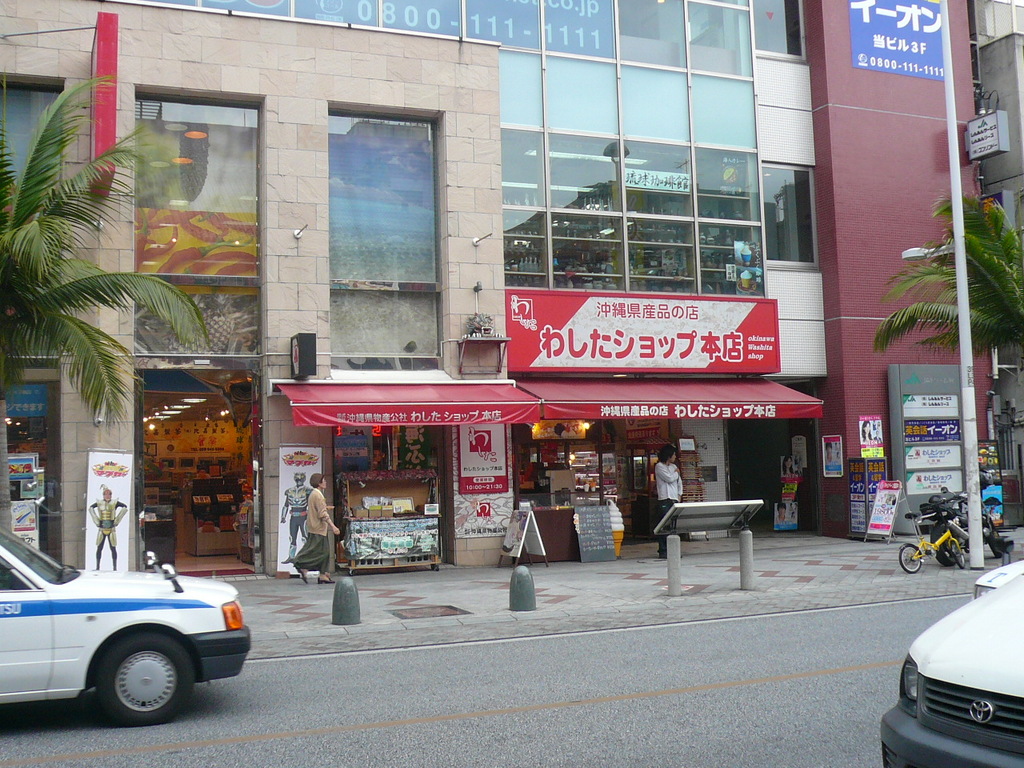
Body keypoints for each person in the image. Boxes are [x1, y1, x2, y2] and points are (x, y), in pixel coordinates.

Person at [292, 473, 340, 585]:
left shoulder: (314, 494)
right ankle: (300, 563)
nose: (325, 482)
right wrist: (333, 526)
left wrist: (326, 507)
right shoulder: (318, 495)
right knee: (318, 551)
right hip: (318, 528)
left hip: (315, 527)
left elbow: (317, 508)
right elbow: (322, 514)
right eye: (323, 480)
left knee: (323, 552)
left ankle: (323, 575)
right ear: (319, 483)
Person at [88, 485, 129, 570]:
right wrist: (97, 521)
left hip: (111, 529)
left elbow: (124, 507)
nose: (107, 495)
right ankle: (97, 567)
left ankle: (115, 567)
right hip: (102, 528)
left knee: (113, 548)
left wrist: (116, 520)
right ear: (103, 495)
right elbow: (91, 508)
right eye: (106, 494)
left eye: (109, 494)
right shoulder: (99, 503)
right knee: (99, 548)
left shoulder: (114, 503)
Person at [654, 443, 682, 559]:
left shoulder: (673, 466)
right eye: (673, 454)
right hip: (664, 499)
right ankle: (663, 550)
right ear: (668, 455)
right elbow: (669, 478)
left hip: (674, 499)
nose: (675, 456)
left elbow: (679, 482)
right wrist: (676, 473)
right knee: (664, 525)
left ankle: (673, 549)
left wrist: (679, 494)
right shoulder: (659, 466)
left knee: (673, 525)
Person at [280, 472, 311, 563]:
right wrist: (283, 516)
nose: (299, 481)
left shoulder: (307, 490)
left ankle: (307, 556)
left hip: (303, 517)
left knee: (305, 537)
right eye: (297, 479)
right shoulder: (290, 491)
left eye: (300, 479)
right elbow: (286, 504)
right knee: (292, 537)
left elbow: (310, 504)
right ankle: (291, 557)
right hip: (293, 517)